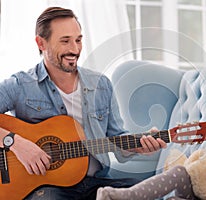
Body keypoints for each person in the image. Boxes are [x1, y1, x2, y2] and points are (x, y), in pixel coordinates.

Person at [0, 7, 167, 200]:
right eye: (65, 41)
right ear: (41, 43)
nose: (74, 49)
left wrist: (139, 145)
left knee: (150, 193)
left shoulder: (101, 85)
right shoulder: (20, 85)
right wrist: (15, 143)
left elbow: (117, 137)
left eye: (78, 40)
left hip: (97, 183)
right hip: (46, 189)